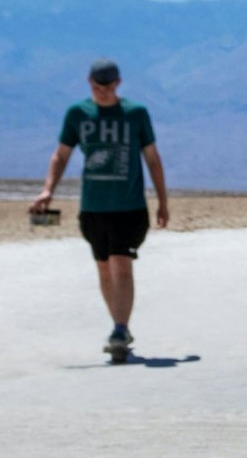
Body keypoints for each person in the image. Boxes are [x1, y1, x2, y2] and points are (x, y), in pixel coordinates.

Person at [29, 59, 168, 358]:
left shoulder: (135, 114)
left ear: (118, 83)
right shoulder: (78, 114)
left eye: (108, 86)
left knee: (120, 262)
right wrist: (47, 191)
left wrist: (163, 201)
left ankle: (119, 328)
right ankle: (119, 325)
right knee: (104, 267)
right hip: (93, 206)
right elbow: (61, 155)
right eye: (97, 86)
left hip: (129, 206)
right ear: (89, 82)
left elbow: (153, 159)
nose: (103, 92)